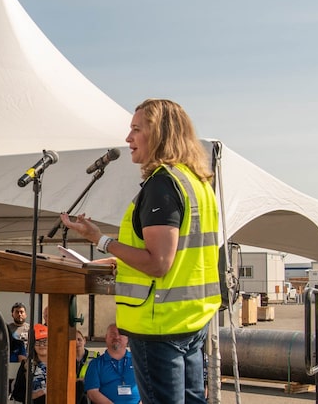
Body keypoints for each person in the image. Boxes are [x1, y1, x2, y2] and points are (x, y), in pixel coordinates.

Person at [61, 98, 221, 404]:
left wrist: (100, 239)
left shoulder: (162, 185)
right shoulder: (198, 184)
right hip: (191, 320)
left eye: (136, 129)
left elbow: (158, 263)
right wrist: (119, 258)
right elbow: (180, 254)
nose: (128, 138)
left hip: (160, 324)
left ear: (159, 133)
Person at [83, 324, 139, 404]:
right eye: (113, 334)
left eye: (120, 334)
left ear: (127, 339)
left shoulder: (138, 362)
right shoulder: (95, 364)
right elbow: (92, 392)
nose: (117, 337)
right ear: (106, 338)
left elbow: (149, 388)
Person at [11, 323, 48, 404]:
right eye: (37, 342)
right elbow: (17, 394)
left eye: (45, 341)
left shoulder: (58, 364)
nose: (41, 345)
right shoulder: (26, 364)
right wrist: (34, 395)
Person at [74, 329, 98, 404]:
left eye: (79, 339)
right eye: (74, 340)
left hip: (90, 392)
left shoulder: (95, 357)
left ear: (84, 340)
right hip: (73, 392)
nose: (77, 342)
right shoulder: (65, 358)